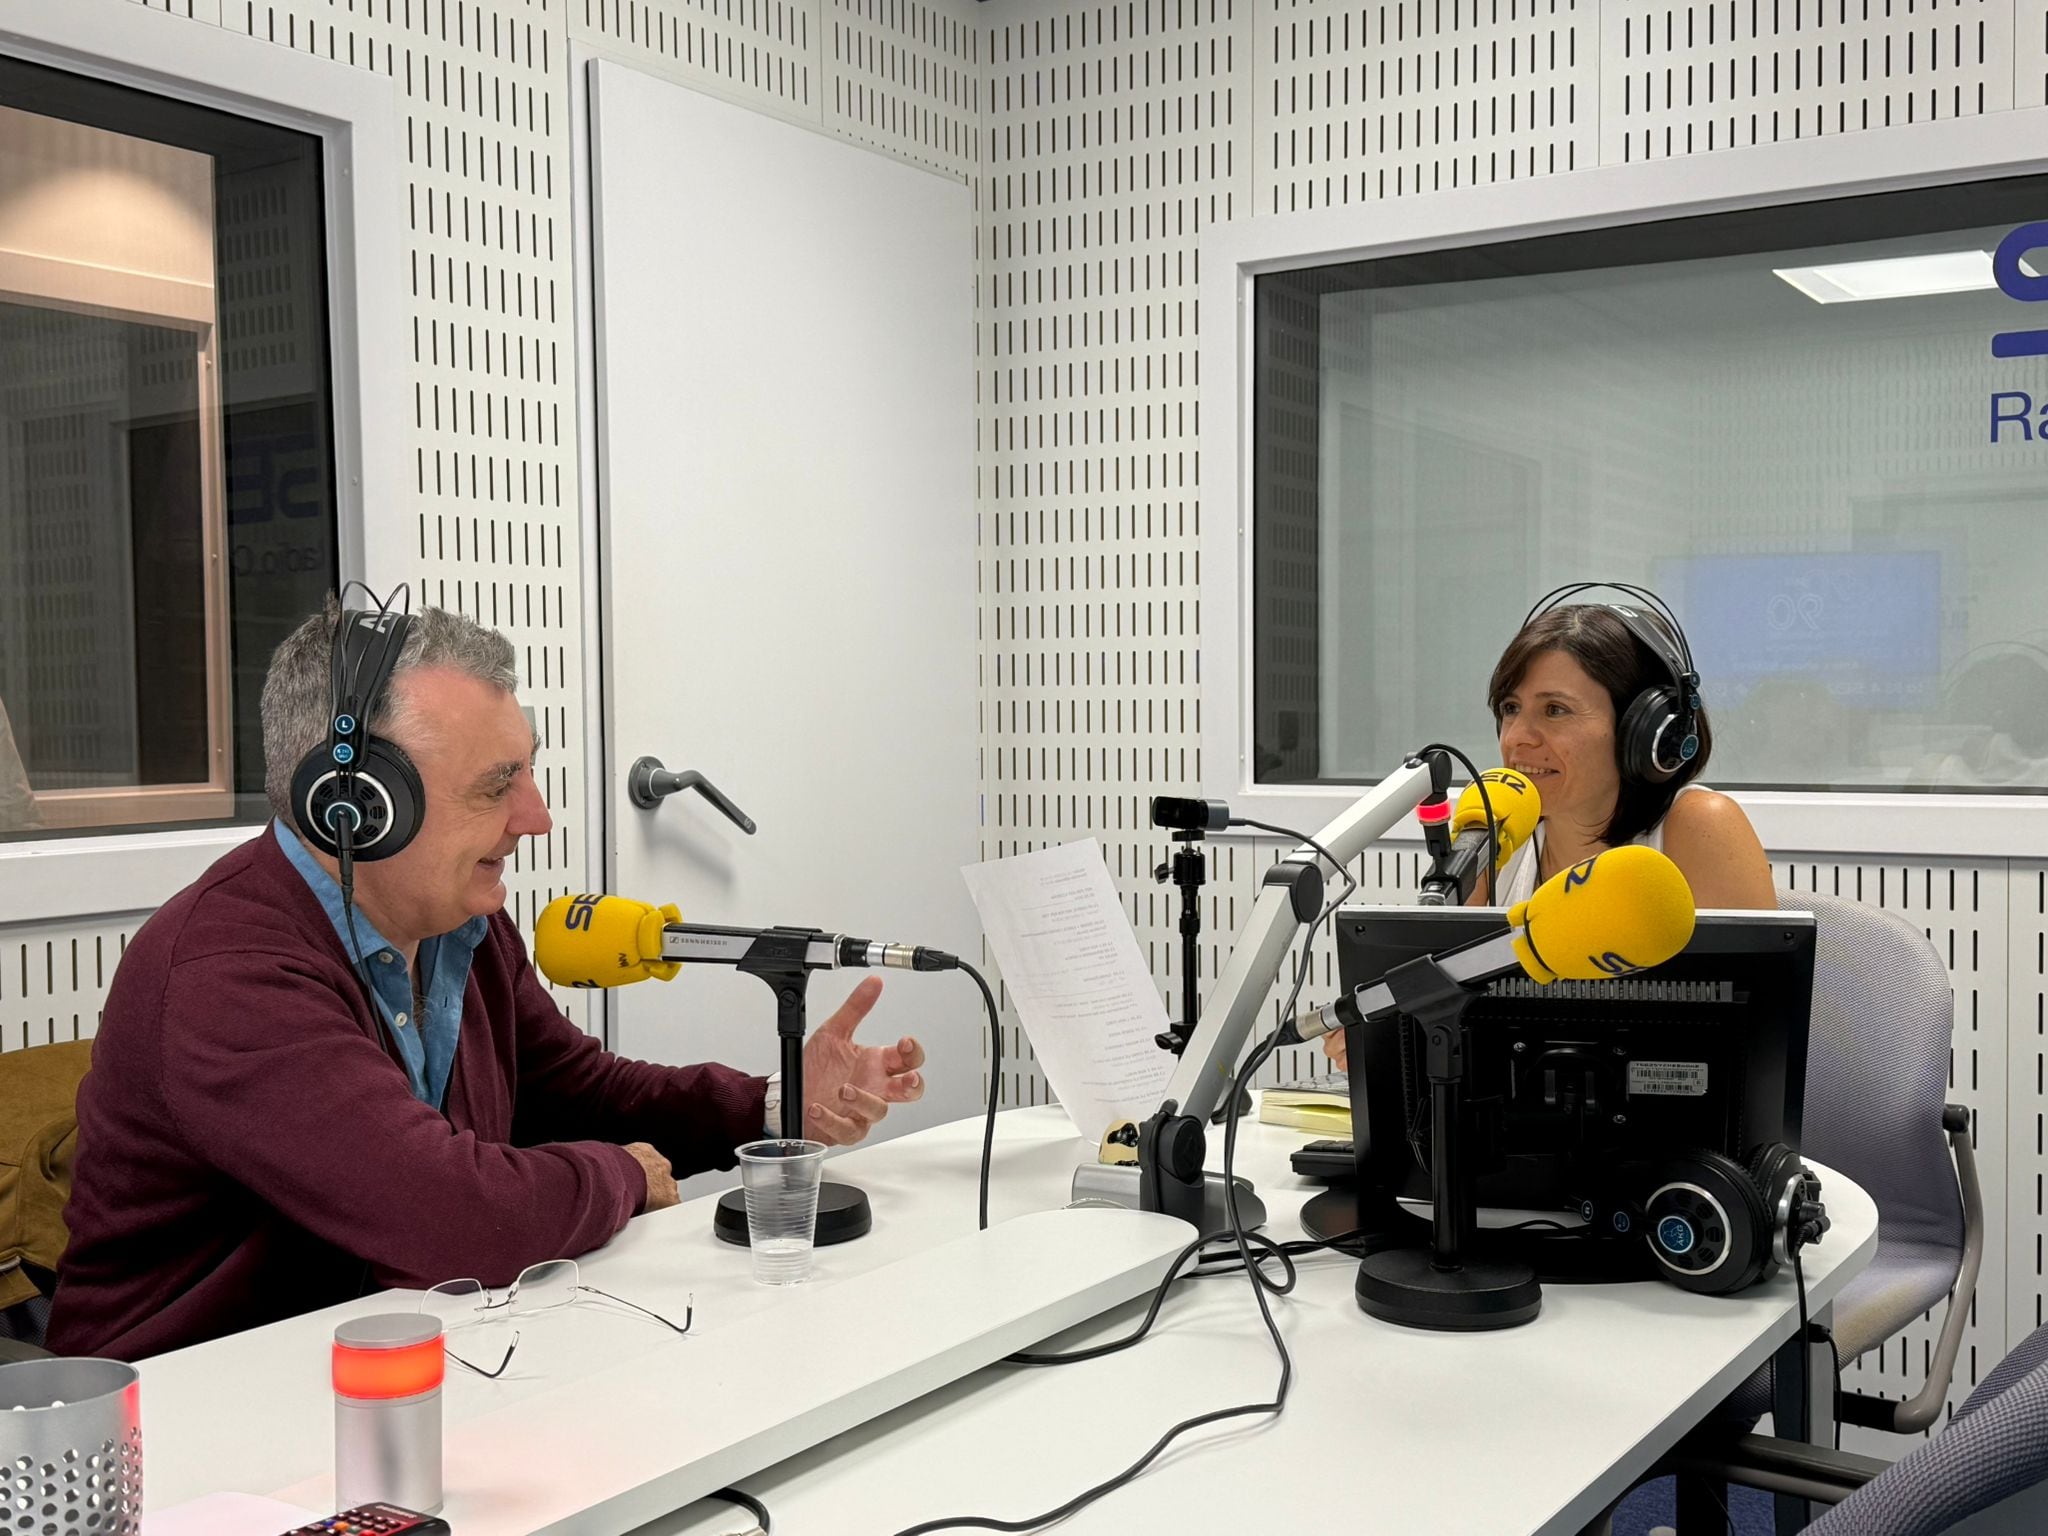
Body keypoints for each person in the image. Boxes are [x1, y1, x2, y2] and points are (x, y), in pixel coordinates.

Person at [48, 599, 925, 1360]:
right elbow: (454, 1222)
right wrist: (616, 1176)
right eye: (497, 784)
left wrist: (777, 1106)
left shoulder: (457, 919)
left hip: (392, 1357)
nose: (536, 816)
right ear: (355, 806)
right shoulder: (228, 975)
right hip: (189, 1421)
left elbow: (575, 1091)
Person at [1325, 592, 1776, 1070]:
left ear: (1642, 730)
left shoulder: (1699, 827)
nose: (1517, 736)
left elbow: (1757, 1049)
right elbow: (1442, 1017)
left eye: (1555, 710)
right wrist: (1385, 1041)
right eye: (1510, 708)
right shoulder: (1495, 834)